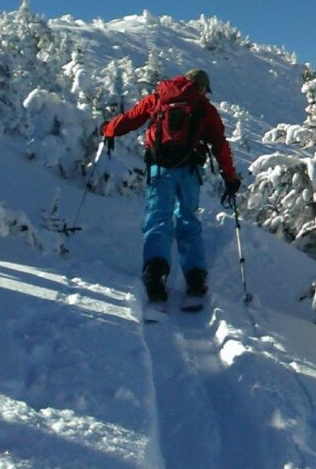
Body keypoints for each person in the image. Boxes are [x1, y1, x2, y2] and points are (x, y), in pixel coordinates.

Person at [102, 68, 242, 304]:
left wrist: (108, 129)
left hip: (160, 169)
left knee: (158, 219)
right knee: (188, 219)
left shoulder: (159, 97)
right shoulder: (204, 108)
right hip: (189, 171)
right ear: (201, 87)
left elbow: (130, 119)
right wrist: (230, 178)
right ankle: (195, 278)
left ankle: (155, 276)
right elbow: (220, 145)